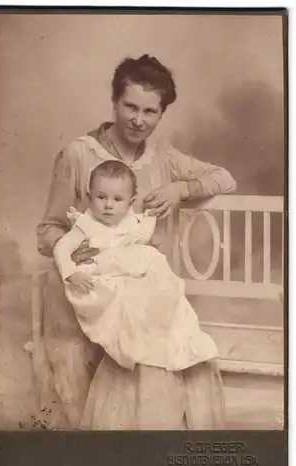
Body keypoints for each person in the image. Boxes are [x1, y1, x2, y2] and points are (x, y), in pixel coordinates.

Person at [37, 54, 236, 429]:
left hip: (140, 300)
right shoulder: (78, 154)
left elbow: (224, 178)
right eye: (130, 106)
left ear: (162, 114)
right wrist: (85, 251)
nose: (138, 120)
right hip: (87, 291)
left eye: (151, 111)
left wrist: (181, 188)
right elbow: (47, 231)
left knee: (169, 353)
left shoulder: (163, 156)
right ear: (114, 101)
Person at [53, 160, 219, 383]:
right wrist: (70, 272)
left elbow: (141, 237)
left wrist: (150, 216)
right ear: (89, 196)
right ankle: (131, 345)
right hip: (102, 277)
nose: (109, 205)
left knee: (155, 277)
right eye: (101, 197)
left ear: (130, 203)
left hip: (128, 274)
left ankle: (171, 332)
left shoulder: (129, 221)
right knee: (124, 300)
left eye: (117, 199)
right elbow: (61, 248)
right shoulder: (86, 224)